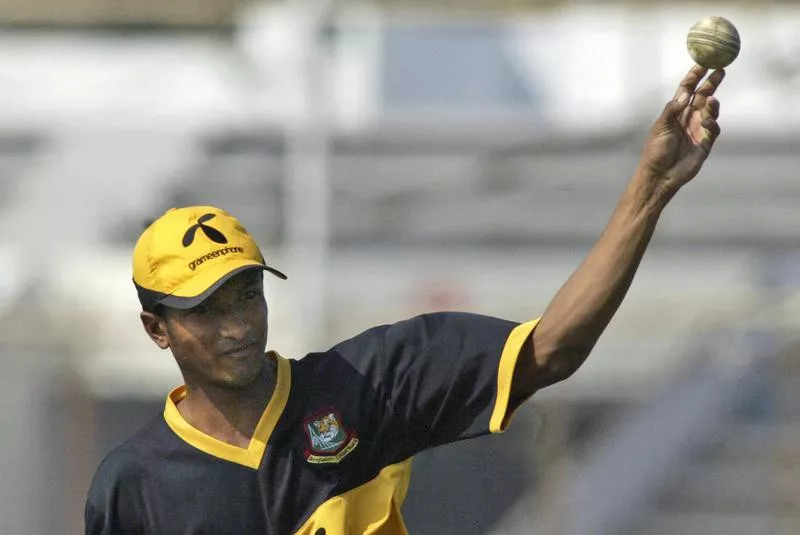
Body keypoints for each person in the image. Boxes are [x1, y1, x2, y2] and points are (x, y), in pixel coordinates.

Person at [84, 65, 725, 535]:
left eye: (247, 293)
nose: (237, 326)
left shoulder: (368, 383)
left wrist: (650, 188)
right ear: (156, 328)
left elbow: (552, 348)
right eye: (206, 310)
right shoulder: (132, 487)